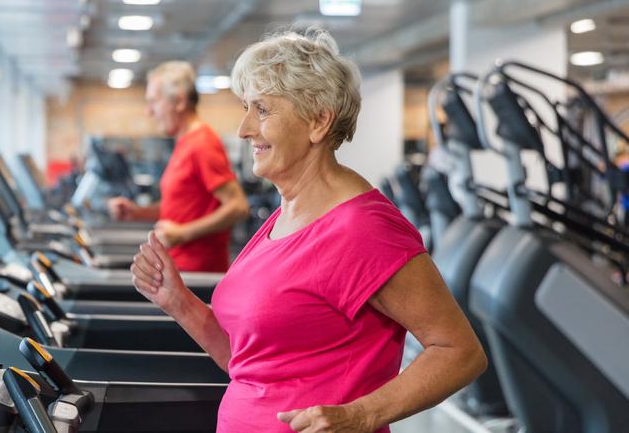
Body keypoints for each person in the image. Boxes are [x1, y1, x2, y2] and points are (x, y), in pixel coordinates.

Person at [130, 29, 487, 433]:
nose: (244, 128)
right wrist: (177, 301)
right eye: (246, 108)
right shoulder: (284, 216)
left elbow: (460, 351)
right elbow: (248, 361)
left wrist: (361, 414)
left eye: (262, 110)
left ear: (318, 120)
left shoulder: (363, 228)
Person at [108, 61, 249, 272]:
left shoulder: (202, 143)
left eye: (154, 102)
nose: (149, 111)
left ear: (180, 101)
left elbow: (238, 207)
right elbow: (180, 208)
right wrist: (137, 213)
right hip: (177, 268)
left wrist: (183, 233)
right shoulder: (185, 142)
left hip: (196, 274)